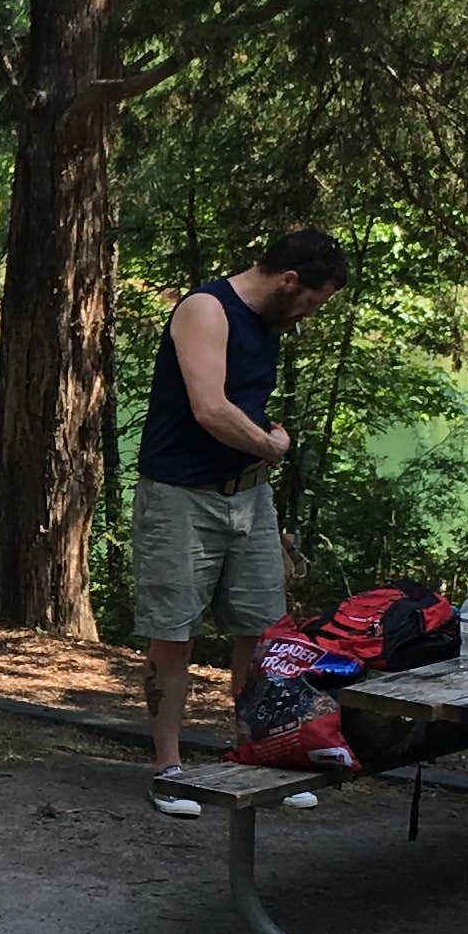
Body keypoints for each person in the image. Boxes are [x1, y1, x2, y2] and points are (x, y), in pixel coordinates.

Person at [134, 226, 349, 814]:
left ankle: (258, 753)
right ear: (289, 280)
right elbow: (209, 408)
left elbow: (245, 404)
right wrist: (272, 445)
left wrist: (264, 444)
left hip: (250, 498)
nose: (311, 312)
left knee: (259, 632)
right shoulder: (207, 309)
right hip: (181, 498)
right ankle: (169, 767)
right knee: (173, 631)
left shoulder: (268, 325)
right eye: (314, 299)